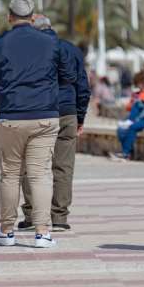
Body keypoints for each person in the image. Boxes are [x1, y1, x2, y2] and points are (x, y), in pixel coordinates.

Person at [0, 0, 75, 248]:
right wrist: (48, 96)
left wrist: (3, 99)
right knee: (41, 175)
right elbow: (68, 76)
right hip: (44, 116)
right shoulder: (51, 43)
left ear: (9, 17)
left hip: (11, 116)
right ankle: (43, 232)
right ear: (33, 18)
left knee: (10, 174)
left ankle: (6, 231)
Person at [19, 16, 90, 232]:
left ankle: (32, 215)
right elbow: (83, 86)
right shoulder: (71, 50)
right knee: (63, 167)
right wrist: (80, 117)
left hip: (38, 112)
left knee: (32, 165)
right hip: (67, 113)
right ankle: (59, 217)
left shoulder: (29, 51)